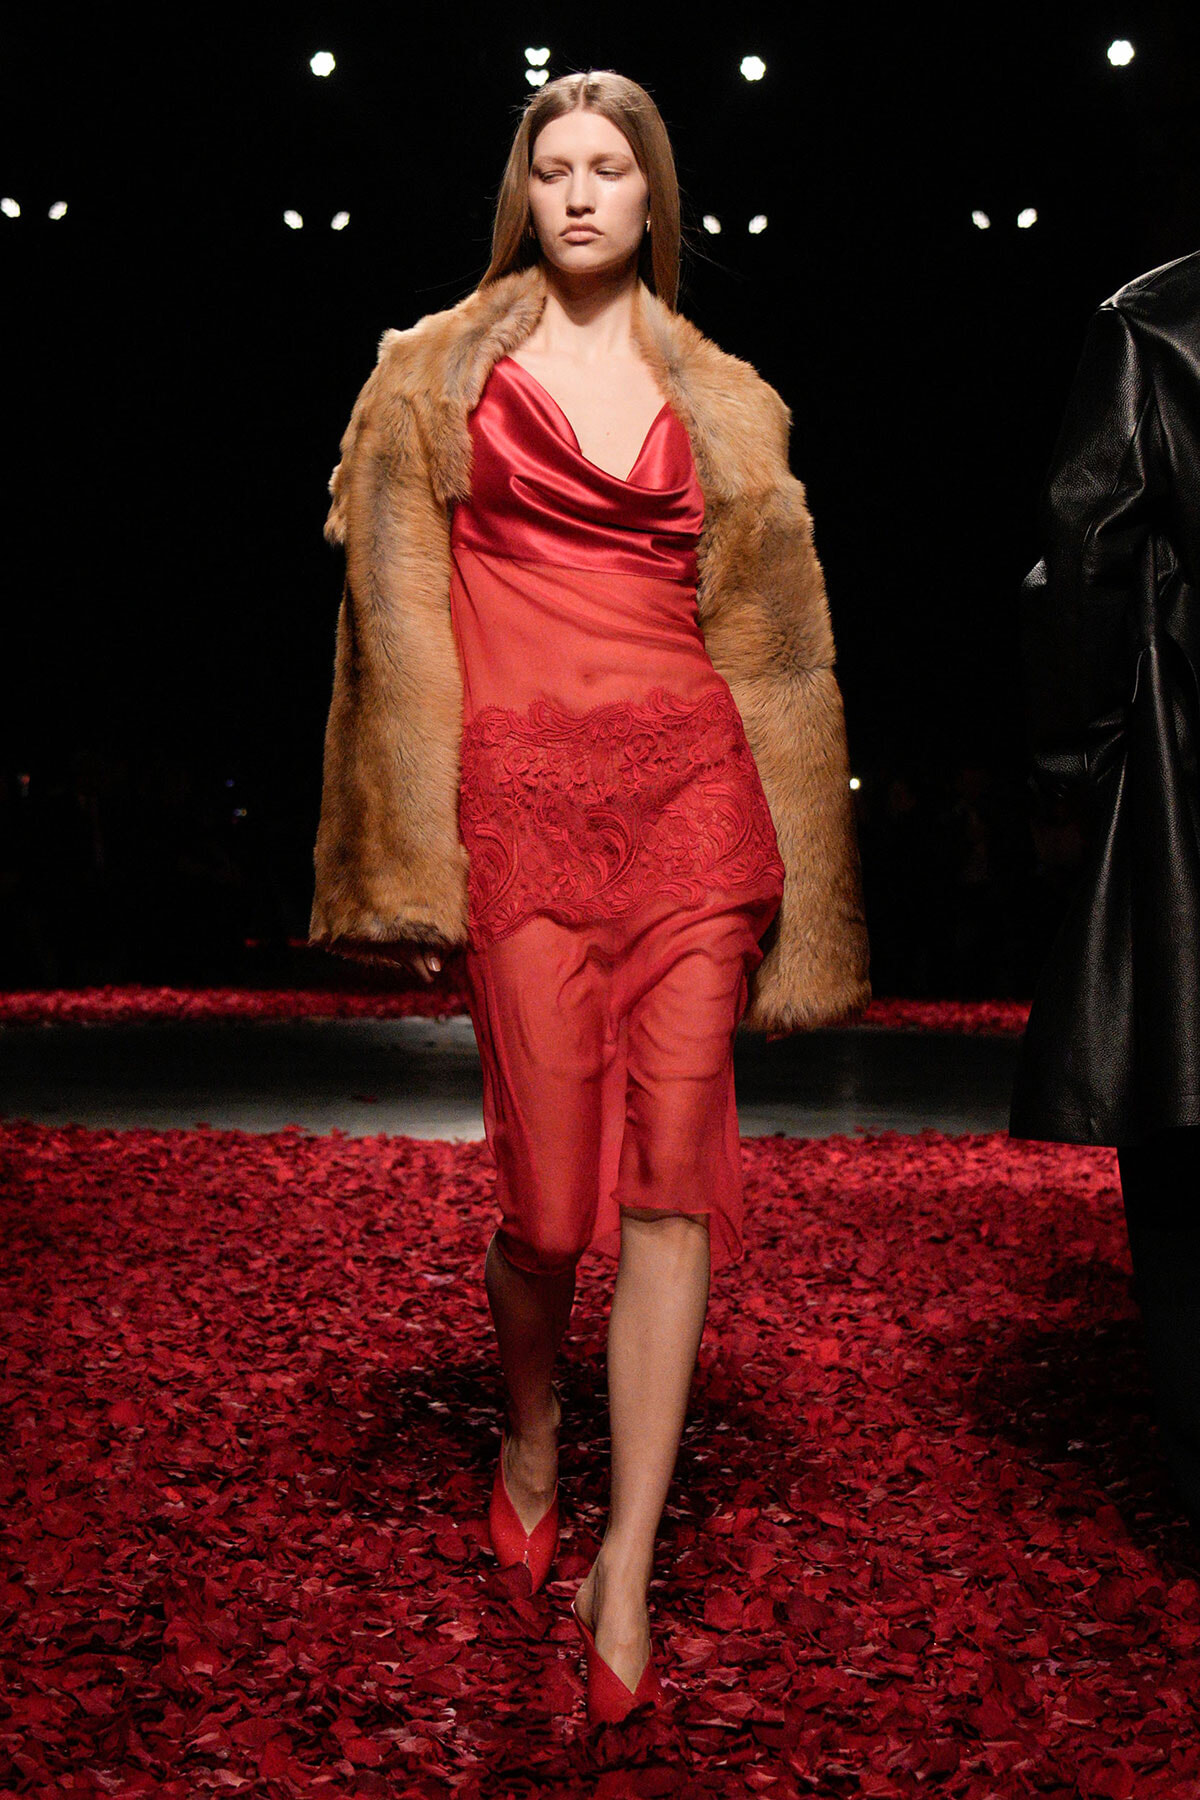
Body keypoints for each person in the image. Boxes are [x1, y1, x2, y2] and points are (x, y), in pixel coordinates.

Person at [309, 69, 870, 1722]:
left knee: (677, 1170)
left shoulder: (733, 407)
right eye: (550, 166)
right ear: (521, 191)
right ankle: (535, 1419)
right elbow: (393, 619)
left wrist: (798, 864)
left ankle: (627, 1551)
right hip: (524, 818)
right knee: (549, 1214)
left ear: (650, 197)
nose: (576, 192)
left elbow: (774, 650)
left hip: (696, 802)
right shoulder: (431, 376)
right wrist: (415, 832)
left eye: (608, 167)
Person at [1011, 249, 1200, 1529]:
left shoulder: (1158, 320)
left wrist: (1076, 764)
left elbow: (1087, 540)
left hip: (1195, 768)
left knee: (1187, 1141)